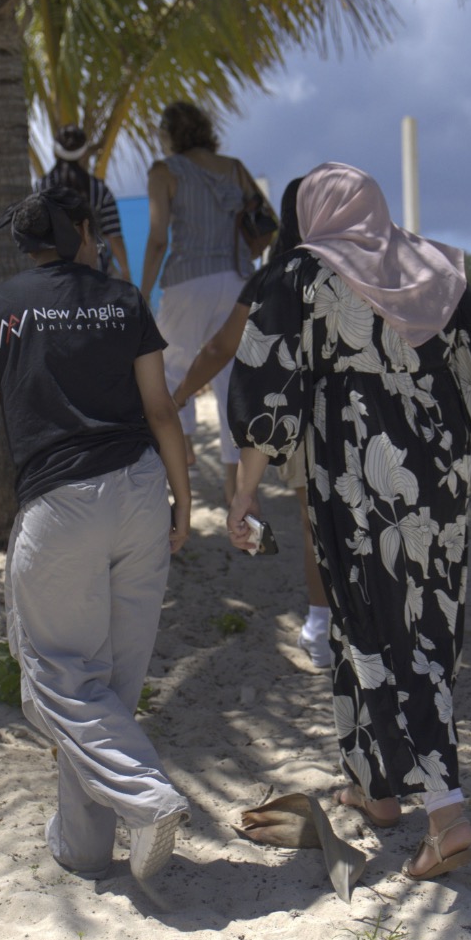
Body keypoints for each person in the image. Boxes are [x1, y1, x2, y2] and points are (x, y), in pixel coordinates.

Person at [226, 163, 471, 882]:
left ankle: (448, 811)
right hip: (436, 473)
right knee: (421, 622)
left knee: (376, 627)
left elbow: (265, 395)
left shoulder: (300, 278)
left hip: (356, 477)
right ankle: (377, 788)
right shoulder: (432, 269)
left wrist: (244, 494)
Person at [0, 184, 195, 882]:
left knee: (57, 681)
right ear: (83, 230)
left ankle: (147, 797)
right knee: (109, 685)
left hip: (60, 506)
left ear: (25, 244)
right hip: (140, 491)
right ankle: (85, 848)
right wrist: (182, 498)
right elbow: (162, 410)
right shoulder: (122, 299)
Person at [168, 179, 334, 669]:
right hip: (378, 415)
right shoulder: (370, 270)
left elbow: (222, 348)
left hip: (308, 417)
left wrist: (179, 395)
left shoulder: (276, 277)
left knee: (315, 525)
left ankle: (321, 629)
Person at [140, 101, 266, 505]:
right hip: (237, 279)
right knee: (233, 382)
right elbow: (267, 223)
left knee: (172, 369)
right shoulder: (235, 168)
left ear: (169, 134)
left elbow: (159, 237)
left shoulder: (164, 171)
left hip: (187, 279)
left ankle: (184, 454)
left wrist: (141, 293)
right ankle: (234, 484)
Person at [38, 125, 131, 279]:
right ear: (84, 154)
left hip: (52, 275)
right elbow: (114, 236)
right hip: (95, 273)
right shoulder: (99, 190)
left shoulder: (40, 188)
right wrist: (127, 274)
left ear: (55, 152)